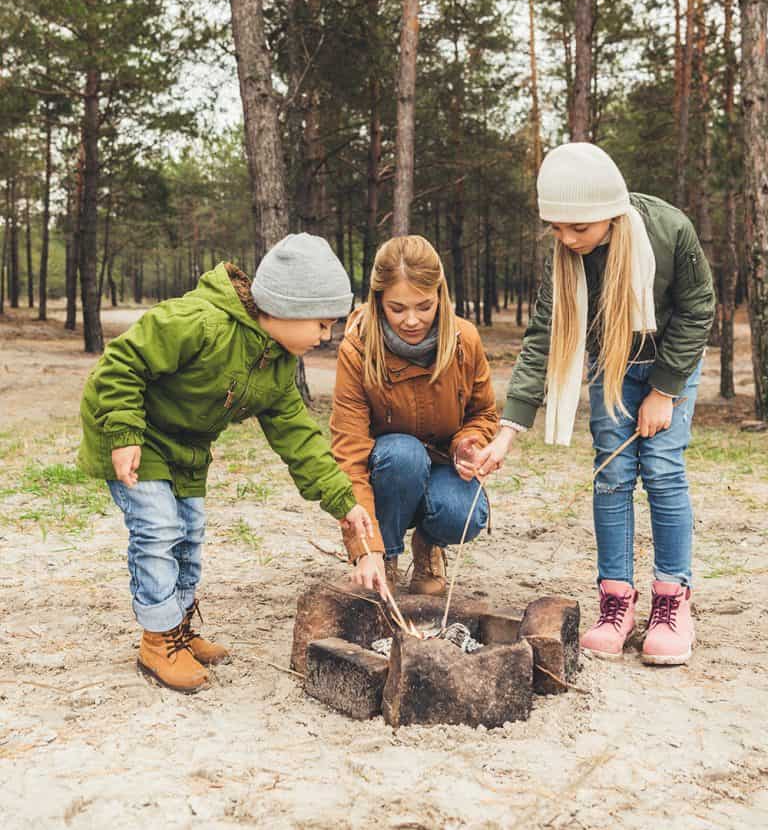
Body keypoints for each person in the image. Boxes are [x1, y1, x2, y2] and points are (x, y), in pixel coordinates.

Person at [79, 234, 371, 693]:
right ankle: (156, 640)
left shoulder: (275, 369)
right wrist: (123, 434)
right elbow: (120, 364)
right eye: (321, 323)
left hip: (188, 450)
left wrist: (343, 502)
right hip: (138, 437)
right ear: (286, 306)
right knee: (157, 528)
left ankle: (177, 627)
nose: (325, 336)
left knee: (189, 536)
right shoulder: (200, 321)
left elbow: (301, 442)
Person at [481, 143, 715, 665]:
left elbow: (700, 308)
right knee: (610, 473)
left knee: (661, 468)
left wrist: (664, 389)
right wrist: (508, 432)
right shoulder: (566, 256)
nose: (565, 240)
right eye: (556, 228)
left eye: (576, 229)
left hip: (670, 360)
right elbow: (543, 337)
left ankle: (673, 601)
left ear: (609, 214)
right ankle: (616, 599)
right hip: (610, 362)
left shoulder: (670, 230)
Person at [330, 235, 498, 597]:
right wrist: (364, 549)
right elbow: (349, 452)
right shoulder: (357, 348)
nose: (411, 320)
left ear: (440, 294)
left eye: (424, 306)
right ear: (377, 301)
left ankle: (429, 546)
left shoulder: (464, 340)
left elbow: (484, 413)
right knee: (402, 454)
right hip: (389, 468)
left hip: (442, 465)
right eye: (397, 308)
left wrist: (469, 443)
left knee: (462, 512)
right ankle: (385, 556)